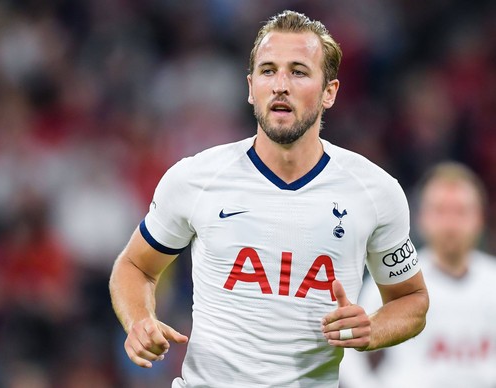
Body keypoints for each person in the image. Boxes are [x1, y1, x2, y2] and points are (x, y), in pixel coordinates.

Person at [109, 10, 429, 387]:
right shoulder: (195, 178)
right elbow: (134, 266)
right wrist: (140, 321)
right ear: (250, 87)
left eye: (298, 71)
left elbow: (412, 300)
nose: (280, 84)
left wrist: (373, 329)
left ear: (330, 92)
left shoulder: (374, 191)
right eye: (268, 70)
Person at [340, 162, 496, 388]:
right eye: (441, 211)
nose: (451, 223)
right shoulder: (392, 281)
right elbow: (347, 346)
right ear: (422, 218)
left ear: (480, 219)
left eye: (461, 211)